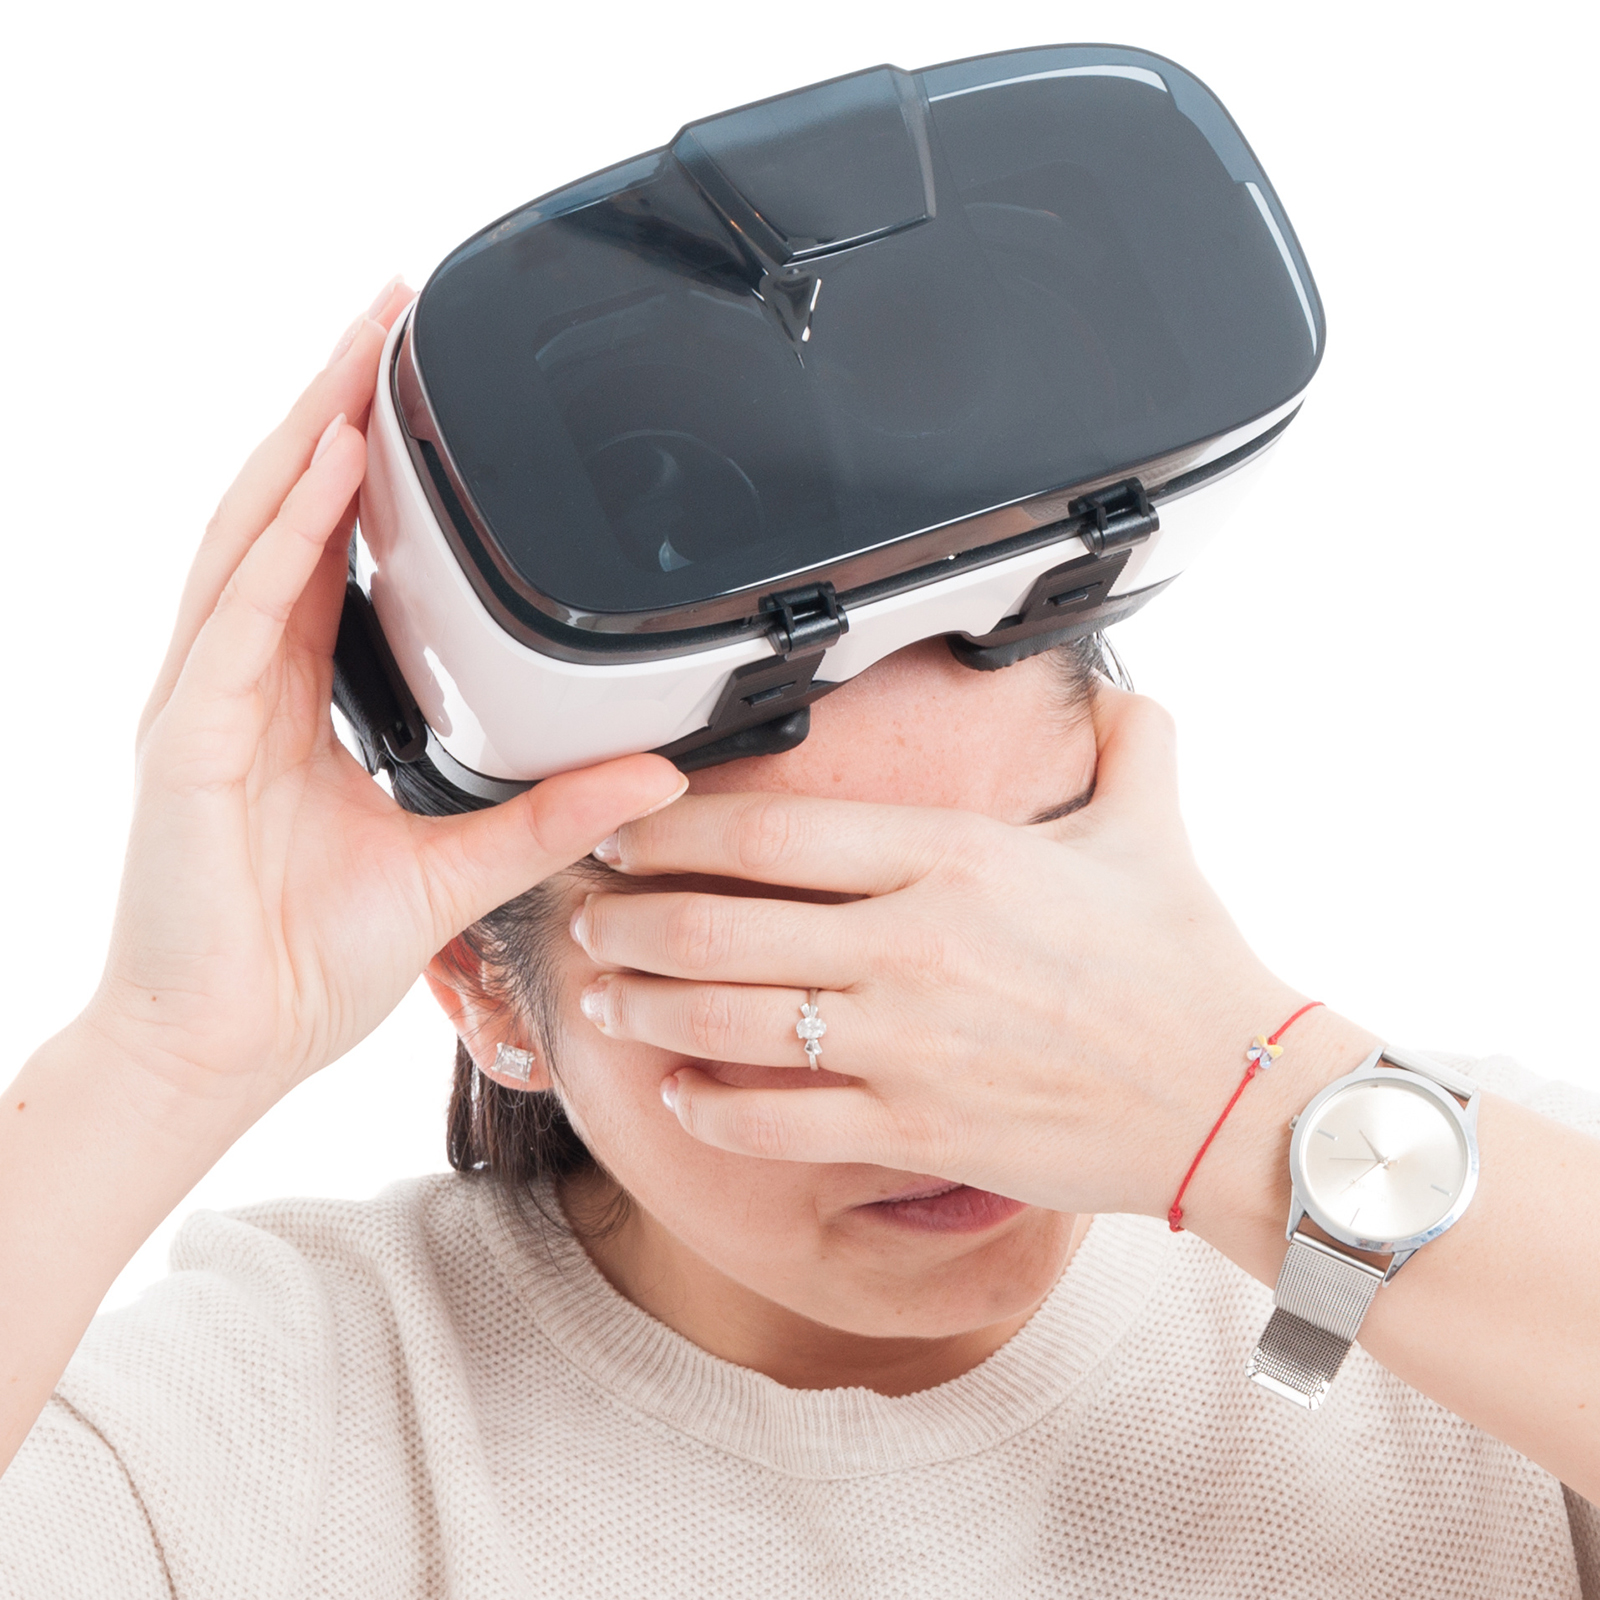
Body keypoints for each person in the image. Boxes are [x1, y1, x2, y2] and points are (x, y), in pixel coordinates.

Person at [1, 283, 1596, 1598]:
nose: (946, 1074)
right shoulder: (275, 1423)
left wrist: (1251, 1115)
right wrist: (155, 1056)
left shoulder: (1472, 1207)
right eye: (774, 957)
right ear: (489, 985)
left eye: (1015, 897)